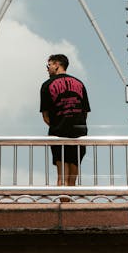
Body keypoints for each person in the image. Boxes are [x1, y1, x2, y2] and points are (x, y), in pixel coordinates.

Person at [40, 53, 90, 189]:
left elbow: (45, 116)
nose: (47, 68)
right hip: (78, 133)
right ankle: (71, 208)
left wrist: (58, 124)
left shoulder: (47, 85)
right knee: (72, 179)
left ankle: (63, 208)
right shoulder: (79, 83)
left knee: (62, 178)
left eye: (49, 65)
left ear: (57, 65)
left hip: (59, 133)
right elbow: (85, 112)